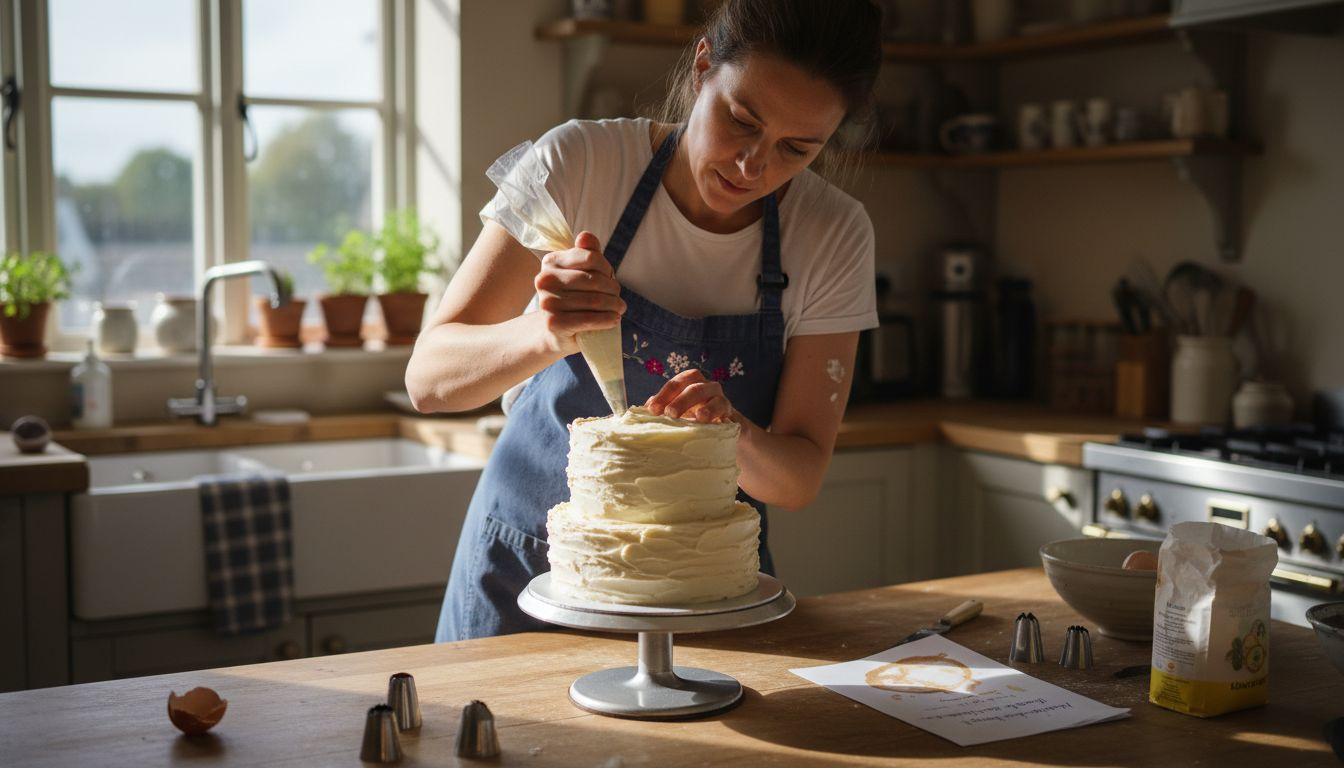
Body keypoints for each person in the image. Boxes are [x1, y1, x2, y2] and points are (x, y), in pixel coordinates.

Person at [406, 0, 883, 642]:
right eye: (741, 121)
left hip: (700, 593)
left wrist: (727, 430)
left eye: (797, 149)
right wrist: (545, 332)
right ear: (703, 67)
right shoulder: (582, 164)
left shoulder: (831, 233)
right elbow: (431, 381)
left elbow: (796, 480)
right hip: (526, 571)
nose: (753, 167)